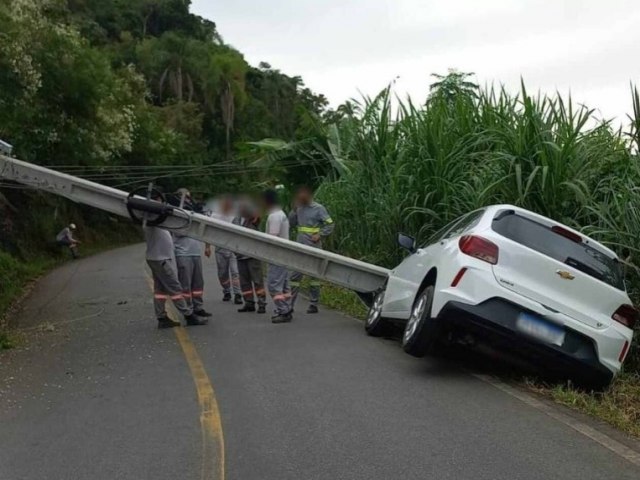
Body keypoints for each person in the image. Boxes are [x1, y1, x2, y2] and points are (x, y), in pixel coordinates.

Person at [144, 194, 208, 329]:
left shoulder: (155, 218)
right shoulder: (152, 216)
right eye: (159, 201)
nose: (162, 204)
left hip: (157, 258)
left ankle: (161, 317)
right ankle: (189, 316)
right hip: (161, 259)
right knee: (175, 288)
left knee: (160, 290)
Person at [288, 185, 334, 314]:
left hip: (314, 247)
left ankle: (313, 304)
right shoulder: (299, 208)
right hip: (300, 247)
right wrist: (293, 210)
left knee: (314, 278)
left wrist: (320, 234)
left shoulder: (318, 209)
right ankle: (289, 305)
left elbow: (330, 224)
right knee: (295, 277)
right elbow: (291, 223)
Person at [173, 188, 212, 319]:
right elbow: (178, 232)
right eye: (186, 197)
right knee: (185, 284)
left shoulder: (192, 213)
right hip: (183, 253)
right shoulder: (176, 214)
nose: (188, 200)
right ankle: (189, 310)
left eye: (189, 197)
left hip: (195, 252)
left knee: (198, 284)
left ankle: (198, 307)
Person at [263, 189, 292, 324]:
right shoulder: (281, 214)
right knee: (285, 286)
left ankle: (283, 311)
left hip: (277, 255)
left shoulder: (274, 216)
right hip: (284, 255)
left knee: (274, 285)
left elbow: (273, 238)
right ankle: (287, 308)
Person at [235, 201, 267, 314]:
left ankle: (262, 303)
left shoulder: (253, 219)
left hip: (253, 255)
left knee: (257, 280)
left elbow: (258, 218)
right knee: (244, 281)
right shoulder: (237, 220)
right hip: (240, 254)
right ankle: (249, 303)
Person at [211, 196, 242, 304]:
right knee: (222, 273)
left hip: (233, 248)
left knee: (235, 272)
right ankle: (226, 291)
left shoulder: (234, 215)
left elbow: (240, 232)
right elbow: (208, 232)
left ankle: (238, 294)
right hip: (220, 248)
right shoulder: (214, 216)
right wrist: (207, 247)